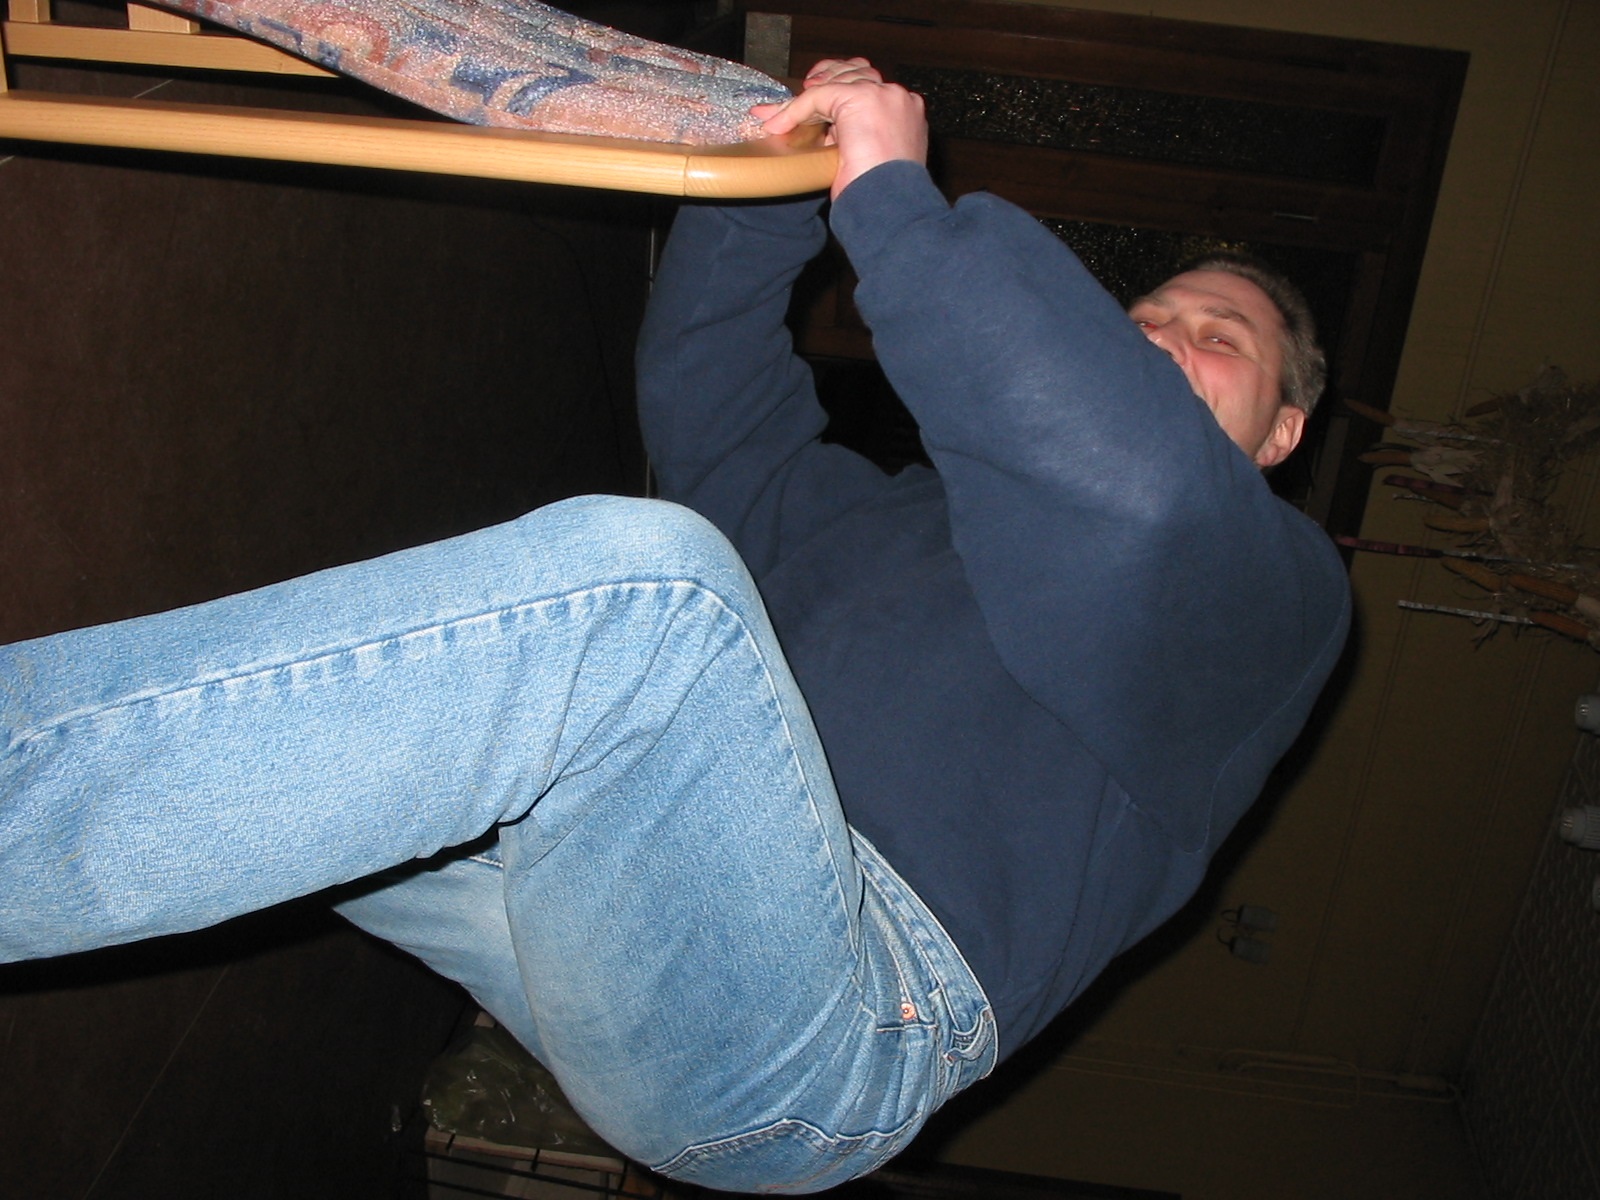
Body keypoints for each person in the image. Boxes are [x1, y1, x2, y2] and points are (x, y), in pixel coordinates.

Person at [0, 60, 1349, 1194]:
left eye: (1216, 335)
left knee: (653, 597)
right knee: (316, 724)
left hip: (843, 1011)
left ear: (1283, 433)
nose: (1160, 336)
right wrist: (776, 192)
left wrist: (895, 205)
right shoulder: (901, 520)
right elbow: (717, 413)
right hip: (628, 896)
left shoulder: (1271, 603)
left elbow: (1139, 483)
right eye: (1144, 317)